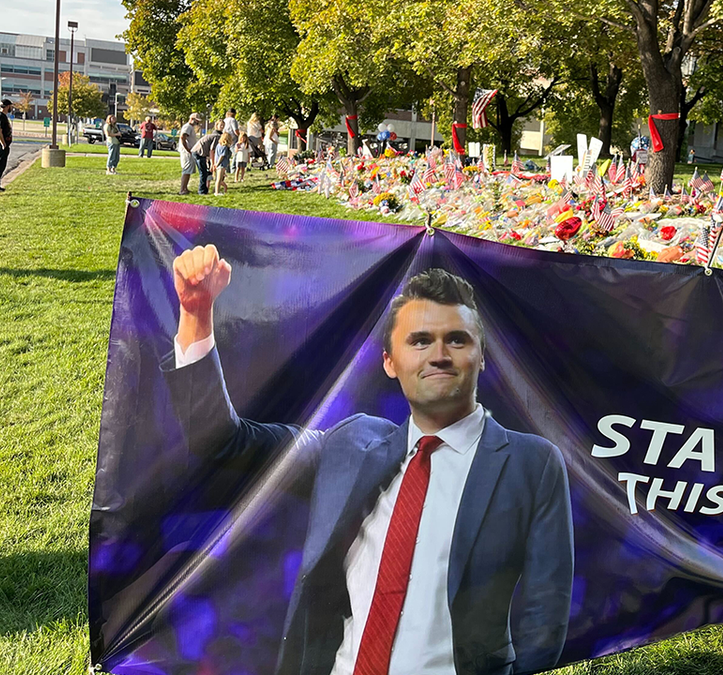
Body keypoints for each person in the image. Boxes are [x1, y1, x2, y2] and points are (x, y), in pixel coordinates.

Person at [164, 254, 573, 675]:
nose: (439, 355)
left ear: (482, 356)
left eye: (457, 339)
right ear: (389, 362)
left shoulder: (532, 463)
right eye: (419, 341)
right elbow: (220, 439)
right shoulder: (348, 445)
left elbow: (544, 622)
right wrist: (196, 315)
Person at [190, 122, 222, 195]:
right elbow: (212, 150)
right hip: (198, 152)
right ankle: (202, 191)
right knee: (203, 173)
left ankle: (204, 189)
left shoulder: (215, 135)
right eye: (221, 125)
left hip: (202, 154)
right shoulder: (216, 137)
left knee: (205, 173)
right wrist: (212, 164)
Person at [178, 113, 202, 195]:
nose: (197, 123)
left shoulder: (190, 127)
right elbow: (183, 137)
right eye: (196, 121)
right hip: (186, 152)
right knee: (186, 170)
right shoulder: (187, 127)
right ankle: (182, 189)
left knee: (188, 171)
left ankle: (185, 188)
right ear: (192, 119)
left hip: (188, 151)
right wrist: (188, 149)